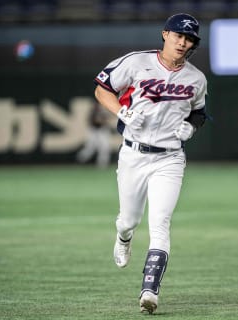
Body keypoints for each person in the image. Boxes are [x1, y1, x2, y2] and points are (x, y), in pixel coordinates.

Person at [93, 13, 208, 314]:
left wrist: (192, 127)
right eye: (178, 36)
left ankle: (149, 290)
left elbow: (199, 111)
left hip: (170, 158)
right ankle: (123, 236)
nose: (183, 42)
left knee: (160, 224)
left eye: (190, 39)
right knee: (129, 219)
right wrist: (122, 112)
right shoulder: (136, 62)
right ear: (165, 34)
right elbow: (101, 88)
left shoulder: (196, 78)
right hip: (133, 154)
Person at [76, 102, 112, 168]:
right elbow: (93, 121)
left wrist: (103, 120)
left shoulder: (104, 111)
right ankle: (80, 160)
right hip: (93, 130)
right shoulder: (93, 112)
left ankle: (102, 164)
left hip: (102, 130)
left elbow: (107, 120)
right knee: (90, 148)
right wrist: (100, 120)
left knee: (104, 147)